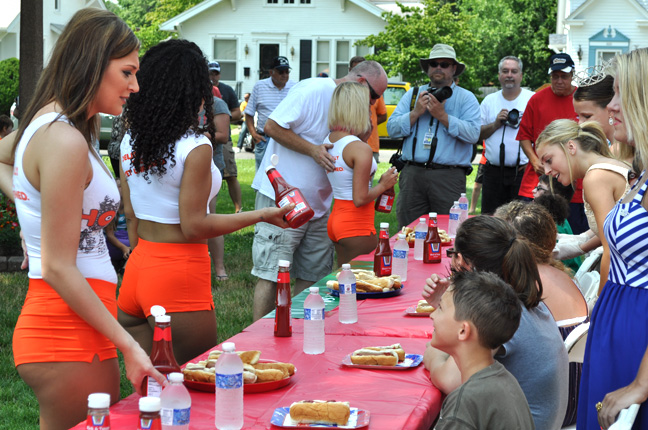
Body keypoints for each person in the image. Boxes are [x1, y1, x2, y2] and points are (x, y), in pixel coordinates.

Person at [0, 9, 167, 428]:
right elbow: (57, 265)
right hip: (64, 332)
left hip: (80, 324)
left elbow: (10, 166)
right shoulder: (62, 138)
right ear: (93, 62)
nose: (136, 86)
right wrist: (129, 345)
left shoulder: (64, 126)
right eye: (127, 72)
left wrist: (34, 216)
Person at [118, 39, 291, 365]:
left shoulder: (133, 137)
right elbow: (195, 224)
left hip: (138, 271)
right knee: (195, 392)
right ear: (193, 87)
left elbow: (130, 212)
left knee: (150, 390)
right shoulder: (194, 145)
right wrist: (262, 214)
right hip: (177, 276)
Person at [250, 60, 388, 321]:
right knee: (271, 273)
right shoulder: (313, 89)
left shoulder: (345, 107)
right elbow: (271, 126)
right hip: (283, 199)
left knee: (313, 278)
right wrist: (312, 150)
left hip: (321, 206)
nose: (373, 104)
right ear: (360, 83)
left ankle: (301, 330)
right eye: (374, 96)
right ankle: (258, 337)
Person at [423, 216, 568, 430]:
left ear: (462, 262)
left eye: (452, 256)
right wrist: (444, 305)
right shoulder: (516, 300)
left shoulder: (495, 313)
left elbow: (448, 380)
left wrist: (431, 352)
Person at [578, 48, 648, 430]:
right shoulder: (639, 172)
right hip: (616, 318)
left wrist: (641, 382)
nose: (612, 107)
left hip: (639, 333)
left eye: (621, 93)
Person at [386, 43, 480, 228]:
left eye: (444, 64)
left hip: (449, 177)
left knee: (449, 233)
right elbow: (392, 129)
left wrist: (443, 117)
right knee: (409, 232)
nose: (438, 67)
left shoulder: (465, 98)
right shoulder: (413, 95)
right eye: (434, 63)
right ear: (427, 68)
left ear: (454, 69)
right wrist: (415, 113)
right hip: (412, 175)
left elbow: (473, 134)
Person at [536, 119, 631, 294]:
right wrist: (580, 243)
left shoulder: (595, 178)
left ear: (571, 147)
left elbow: (611, 249)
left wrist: (601, 304)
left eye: (548, 160)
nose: (547, 171)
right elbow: (617, 229)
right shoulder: (608, 165)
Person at [431, 271, 535, 429]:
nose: (432, 315)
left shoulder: (465, 403)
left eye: (440, 308)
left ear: (463, 331)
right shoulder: (506, 379)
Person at [325, 82, 399, 264]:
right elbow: (360, 198)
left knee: (344, 281)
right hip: (357, 225)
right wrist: (383, 185)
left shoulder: (330, 139)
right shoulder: (359, 148)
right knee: (363, 286)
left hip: (337, 220)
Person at [517, 53, 589, 234]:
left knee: (575, 237)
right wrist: (534, 160)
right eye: (555, 76)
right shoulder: (537, 99)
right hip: (538, 180)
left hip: (574, 186)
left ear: (572, 75)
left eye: (564, 76)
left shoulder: (582, 99)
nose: (559, 81)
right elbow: (524, 136)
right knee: (533, 235)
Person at [478, 56, 534, 214]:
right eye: (505, 71)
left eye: (514, 71)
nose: (509, 75)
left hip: (523, 172)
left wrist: (533, 160)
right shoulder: (489, 101)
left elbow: (544, 134)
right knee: (491, 220)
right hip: (493, 172)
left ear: (521, 75)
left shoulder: (532, 99)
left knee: (521, 220)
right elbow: (477, 135)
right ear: (499, 75)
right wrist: (496, 124)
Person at [244, 56, 295, 171]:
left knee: (286, 176)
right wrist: (254, 134)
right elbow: (249, 114)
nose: (284, 75)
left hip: (288, 140)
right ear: (271, 72)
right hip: (265, 139)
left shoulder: (294, 87)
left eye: (287, 71)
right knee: (263, 176)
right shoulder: (260, 86)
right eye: (281, 72)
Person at [572, 71, 635, 164]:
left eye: (587, 116)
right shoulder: (608, 147)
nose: (580, 124)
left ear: (610, 109)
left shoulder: (618, 152)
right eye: (578, 116)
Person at [208, 61, 243, 213]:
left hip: (223, 138)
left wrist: (222, 114)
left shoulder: (226, 90)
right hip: (206, 140)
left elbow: (237, 113)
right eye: (210, 73)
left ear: (219, 74)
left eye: (216, 73)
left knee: (230, 174)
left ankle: (238, 208)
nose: (213, 76)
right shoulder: (201, 90)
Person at [349, 56, 387, 164]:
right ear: (349, 70)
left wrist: (367, 125)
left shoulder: (373, 91)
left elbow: (383, 115)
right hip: (349, 144)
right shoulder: (344, 92)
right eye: (356, 70)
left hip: (370, 145)